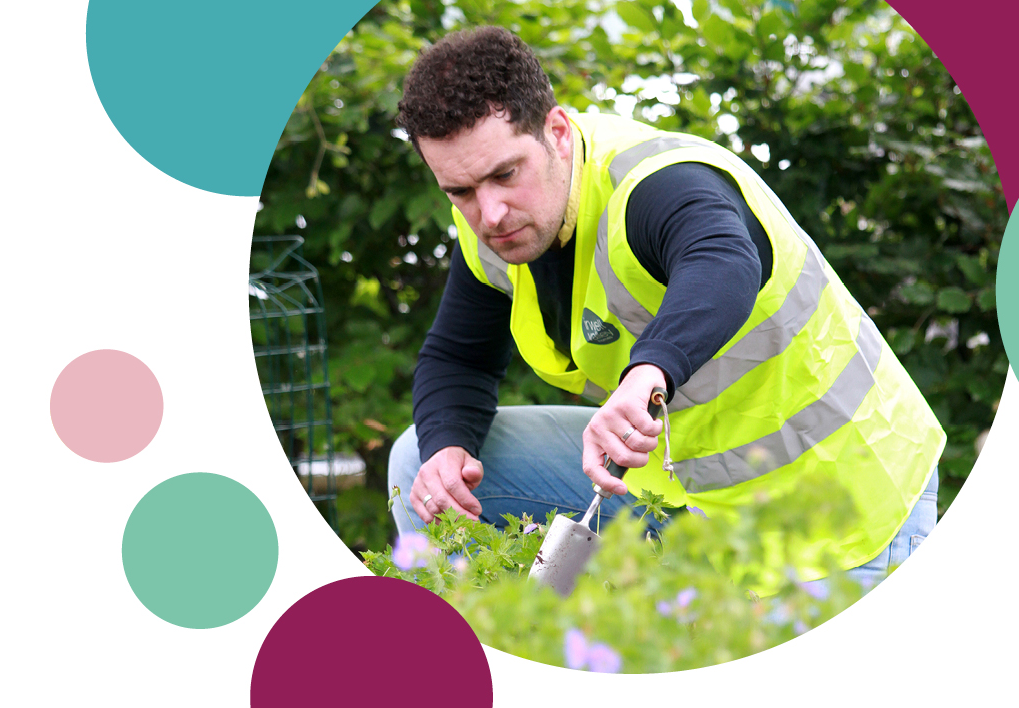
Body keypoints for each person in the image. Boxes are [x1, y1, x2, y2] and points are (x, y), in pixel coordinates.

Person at [387, 26, 943, 584]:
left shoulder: (657, 182)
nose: (490, 215)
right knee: (422, 462)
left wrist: (647, 372)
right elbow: (459, 358)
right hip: (680, 491)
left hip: (842, 510)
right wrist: (448, 447)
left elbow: (723, 261)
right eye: (459, 191)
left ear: (557, 131)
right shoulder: (491, 225)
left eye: (505, 174)